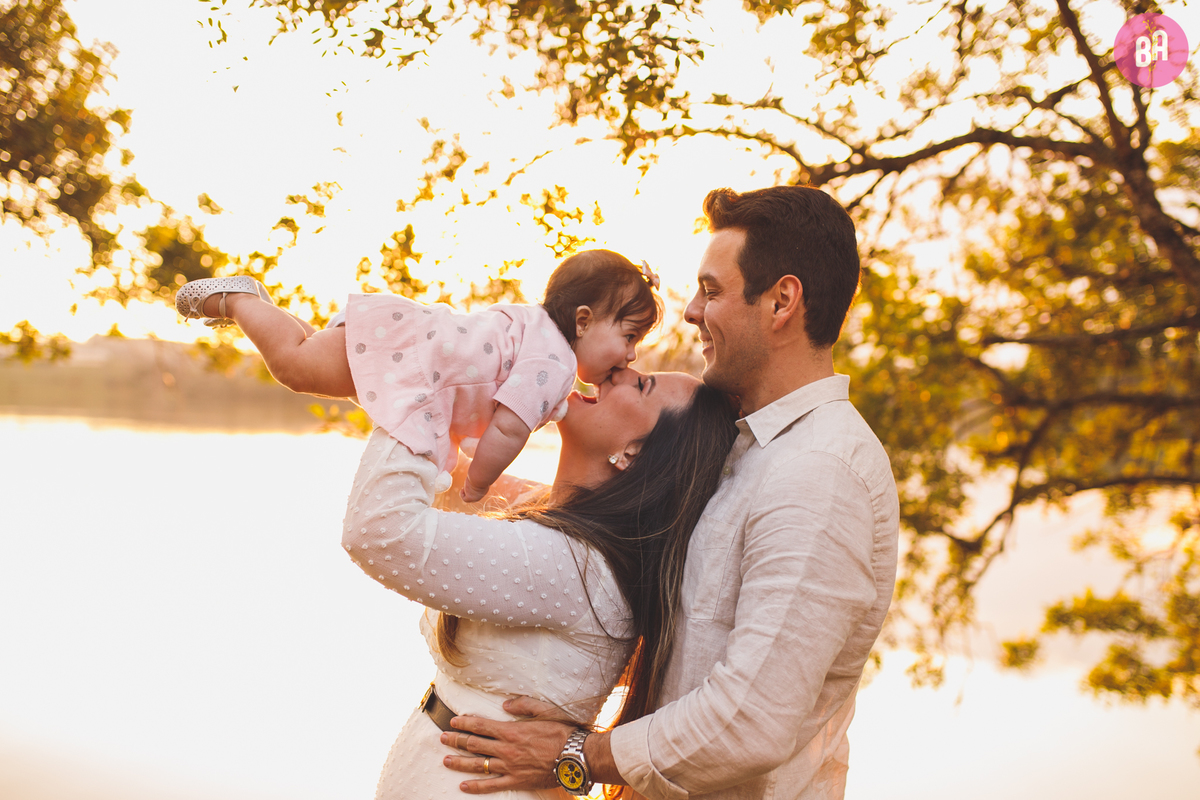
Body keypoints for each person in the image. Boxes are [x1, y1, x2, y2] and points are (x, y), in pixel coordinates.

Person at [439, 185, 901, 800]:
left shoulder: (819, 472)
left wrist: (577, 756)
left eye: (711, 291)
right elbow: (612, 523)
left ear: (782, 301)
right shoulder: (749, 451)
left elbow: (752, 719)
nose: (688, 310)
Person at [342, 366, 739, 799]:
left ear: (633, 454)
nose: (619, 370)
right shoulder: (563, 527)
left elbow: (377, 531)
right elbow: (452, 475)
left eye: (641, 385)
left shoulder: (573, 564)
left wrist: (413, 392)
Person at [175, 250, 662, 501]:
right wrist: (478, 485)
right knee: (295, 366)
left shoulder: (536, 329)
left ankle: (262, 310)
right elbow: (509, 428)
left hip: (409, 345)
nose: (632, 355)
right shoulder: (554, 367)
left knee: (316, 362)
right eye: (630, 337)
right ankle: (240, 300)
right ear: (582, 321)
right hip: (411, 358)